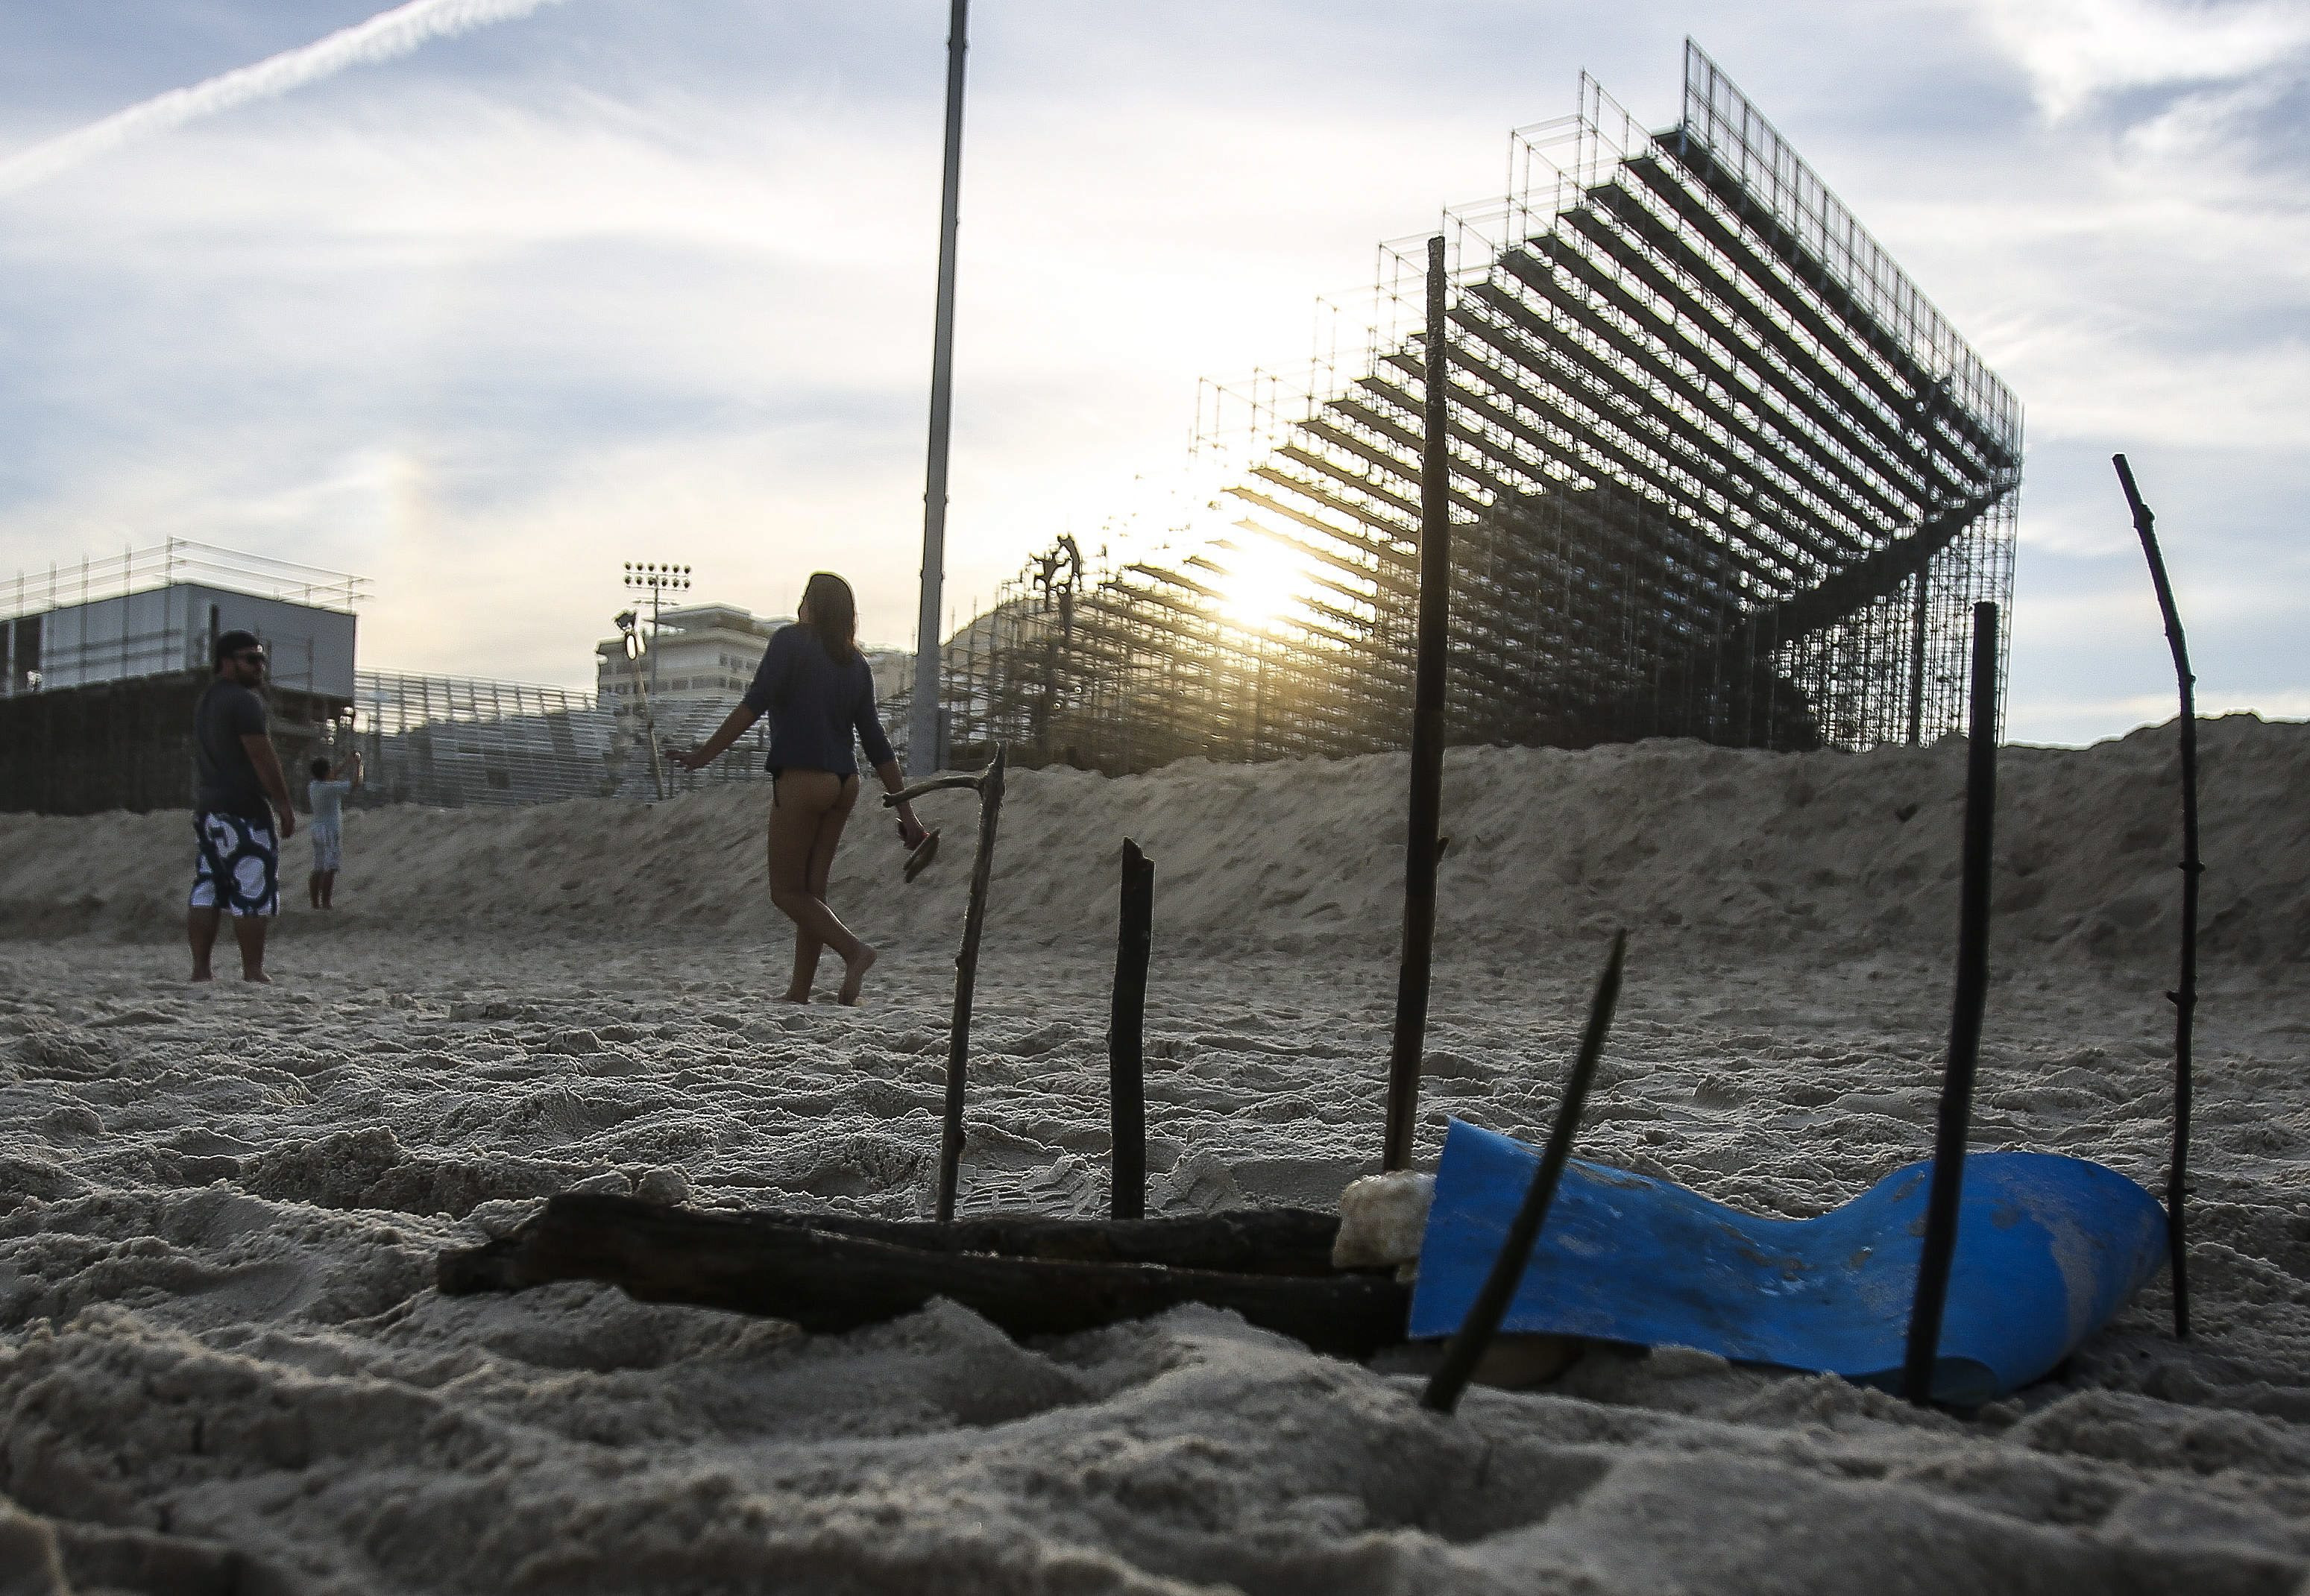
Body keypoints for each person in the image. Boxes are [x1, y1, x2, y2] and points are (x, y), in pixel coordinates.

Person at [669, 573, 926, 1006]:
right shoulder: (857, 664)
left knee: (786, 892)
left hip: (803, 778)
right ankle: (800, 990)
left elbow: (753, 704)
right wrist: (908, 814)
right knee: (812, 894)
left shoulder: (790, 642)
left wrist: (704, 755)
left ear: (815, 605)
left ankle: (855, 951)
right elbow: (876, 741)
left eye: (805, 598)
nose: (798, 607)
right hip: (845, 783)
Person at [188, 629, 295, 982]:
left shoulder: (207, 701)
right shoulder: (244, 702)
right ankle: (253, 971)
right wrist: (283, 803)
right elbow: (262, 757)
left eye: (261, 659)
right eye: (251, 659)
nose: (259, 666)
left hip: (209, 807)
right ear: (226, 662)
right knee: (252, 885)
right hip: (243, 809)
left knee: (208, 886)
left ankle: (201, 970)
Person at [305, 750, 363, 909]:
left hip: (317, 828)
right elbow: (356, 783)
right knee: (330, 867)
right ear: (326, 772)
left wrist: (347, 761)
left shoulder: (313, 786)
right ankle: (326, 902)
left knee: (318, 867)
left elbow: (331, 775)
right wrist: (359, 765)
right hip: (330, 830)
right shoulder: (330, 788)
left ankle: (315, 903)